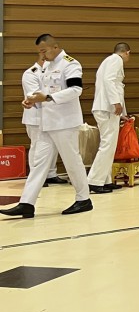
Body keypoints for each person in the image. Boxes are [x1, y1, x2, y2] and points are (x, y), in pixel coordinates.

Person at [1, 35, 93, 218]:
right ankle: (27, 203)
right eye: (39, 52)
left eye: (44, 51)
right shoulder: (47, 67)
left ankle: (84, 199)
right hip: (47, 122)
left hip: (65, 122)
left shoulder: (70, 64)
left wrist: (48, 98)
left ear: (55, 47)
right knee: (38, 163)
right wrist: (32, 101)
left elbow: (76, 90)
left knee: (71, 161)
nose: (42, 55)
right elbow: (43, 93)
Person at [87, 42, 131, 194]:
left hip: (107, 107)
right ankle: (94, 180)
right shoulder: (116, 59)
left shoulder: (108, 61)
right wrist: (115, 102)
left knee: (109, 145)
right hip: (107, 107)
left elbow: (116, 86)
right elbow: (109, 80)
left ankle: (105, 180)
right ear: (127, 52)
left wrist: (123, 112)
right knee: (107, 145)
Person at [22, 51, 62, 185]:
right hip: (35, 116)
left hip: (51, 115)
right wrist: (52, 96)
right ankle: (36, 176)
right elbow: (34, 95)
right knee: (37, 146)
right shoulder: (31, 73)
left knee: (53, 145)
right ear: (43, 59)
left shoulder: (53, 73)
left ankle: (50, 174)